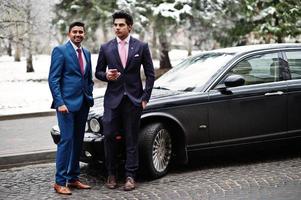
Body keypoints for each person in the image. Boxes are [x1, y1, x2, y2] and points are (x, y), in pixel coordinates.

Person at [95, 10, 155, 191]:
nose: (117, 28)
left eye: (121, 25)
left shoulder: (141, 47)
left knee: (131, 139)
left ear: (129, 27)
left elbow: (150, 74)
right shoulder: (106, 48)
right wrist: (106, 75)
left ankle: (130, 176)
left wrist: (145, 98)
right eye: (115, 25)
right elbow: (97, 72)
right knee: (110, 137)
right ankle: (111, 174)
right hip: (112, 100)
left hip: (133, 100)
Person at [48, 22, 94, 195]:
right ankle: (59, 182)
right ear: (69, 34)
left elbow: (88, 78)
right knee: (66, 141)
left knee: (77, 141)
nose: (78, 34)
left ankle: (73, 178)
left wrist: (88, 94)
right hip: (65, 105)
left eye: (81, 32)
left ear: (84, 34)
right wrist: (59, 102)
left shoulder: (87, 53)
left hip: (83, 103)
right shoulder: (60, 51)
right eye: (74, 31)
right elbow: (53, 79)